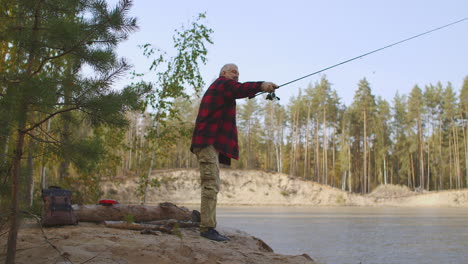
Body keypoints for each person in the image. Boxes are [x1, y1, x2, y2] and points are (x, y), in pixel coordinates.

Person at [190, 63, 277, 242]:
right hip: (206, 142)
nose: (237, 75)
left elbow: (239, 90)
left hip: (208, 142)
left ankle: (207, 223)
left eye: (238, 72)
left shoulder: (224, 89)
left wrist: (256, 90)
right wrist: (262, 85)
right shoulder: (221, 83)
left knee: (212, 183)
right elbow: (239, 89)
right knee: (211, 184)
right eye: (233, 71)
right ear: (223, 73)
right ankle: (207, 229)